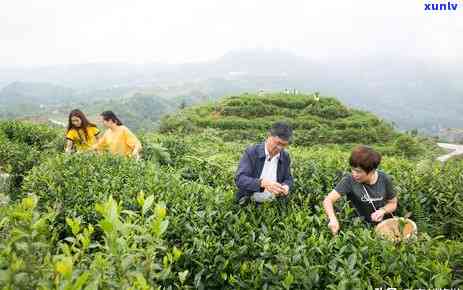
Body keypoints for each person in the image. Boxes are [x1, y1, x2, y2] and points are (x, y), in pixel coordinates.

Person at [323, 145, 398, 235]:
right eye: (352, 169)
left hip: (384, 228)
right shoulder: (349, 180)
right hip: (359, 228)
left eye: (358, 171)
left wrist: (382, 211)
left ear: (372, 170)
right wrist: (333, 219)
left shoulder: (384, 179)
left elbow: (393, 203)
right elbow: (328, 200)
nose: (354, 174)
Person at [235, 122, 294, 205]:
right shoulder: (252, 152)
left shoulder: (285, 156)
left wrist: (286, 186)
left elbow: (288, 179)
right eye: (278, 143)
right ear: (269, 136)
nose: (279, 148)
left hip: (273, 204)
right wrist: (262, 183)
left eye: (284, 145)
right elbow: (240, 179)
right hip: (249, 203)